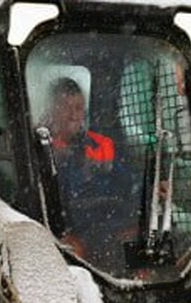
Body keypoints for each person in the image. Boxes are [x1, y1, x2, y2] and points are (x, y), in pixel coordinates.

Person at [42, 77, 140, 264]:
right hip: (71, 228)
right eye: (66, 107)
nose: (73, 115)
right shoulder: (43, 149)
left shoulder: (101, 144)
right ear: (53, 109)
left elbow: (128, 181)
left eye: (78, 108)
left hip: (109, 221)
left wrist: (150, 184)